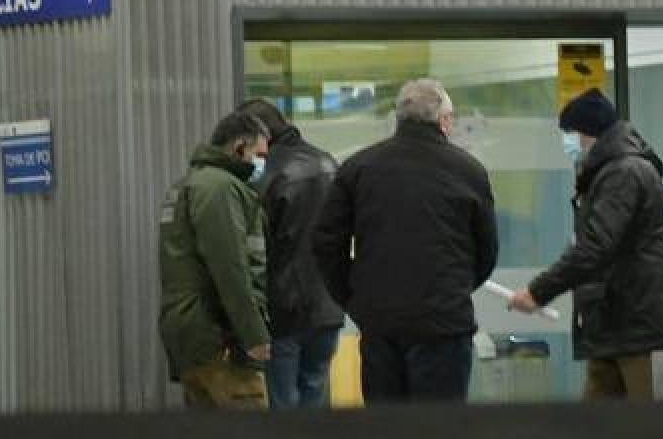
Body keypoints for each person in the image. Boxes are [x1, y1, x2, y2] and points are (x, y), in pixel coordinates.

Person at [313, 78, 498, 404]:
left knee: (387, 435)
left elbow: (327, 242)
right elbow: (486, 250)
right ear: (443, 121)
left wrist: (354, 298)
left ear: (399, 119)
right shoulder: (469, 171)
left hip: (381, 324)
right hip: (444, 325)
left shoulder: (359, 168)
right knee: (439, 434)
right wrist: (453, 288)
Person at [508, 88, 663, 402]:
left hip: (638, 327)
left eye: (569, 133)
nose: (567, 142)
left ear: (587, 133)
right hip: (615, 324)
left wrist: (538, 291)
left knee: (652, 434)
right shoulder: (611, 172)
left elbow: (595, 247)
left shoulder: (622, 173)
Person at [158, 111, 272, 410]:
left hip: (190, 336)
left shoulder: (186, 186)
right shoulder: (219, 188)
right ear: (239, 148)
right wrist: (253, 335)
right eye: (258, 154)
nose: (261, 163)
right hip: (220, 339)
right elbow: (230, 268)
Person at [237, 99, 344, 410]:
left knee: (283, 407)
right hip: (328, 306)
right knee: (316, 398)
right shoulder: (328, 163)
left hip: (284, 309)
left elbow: (256, 246)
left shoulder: (265, 174)